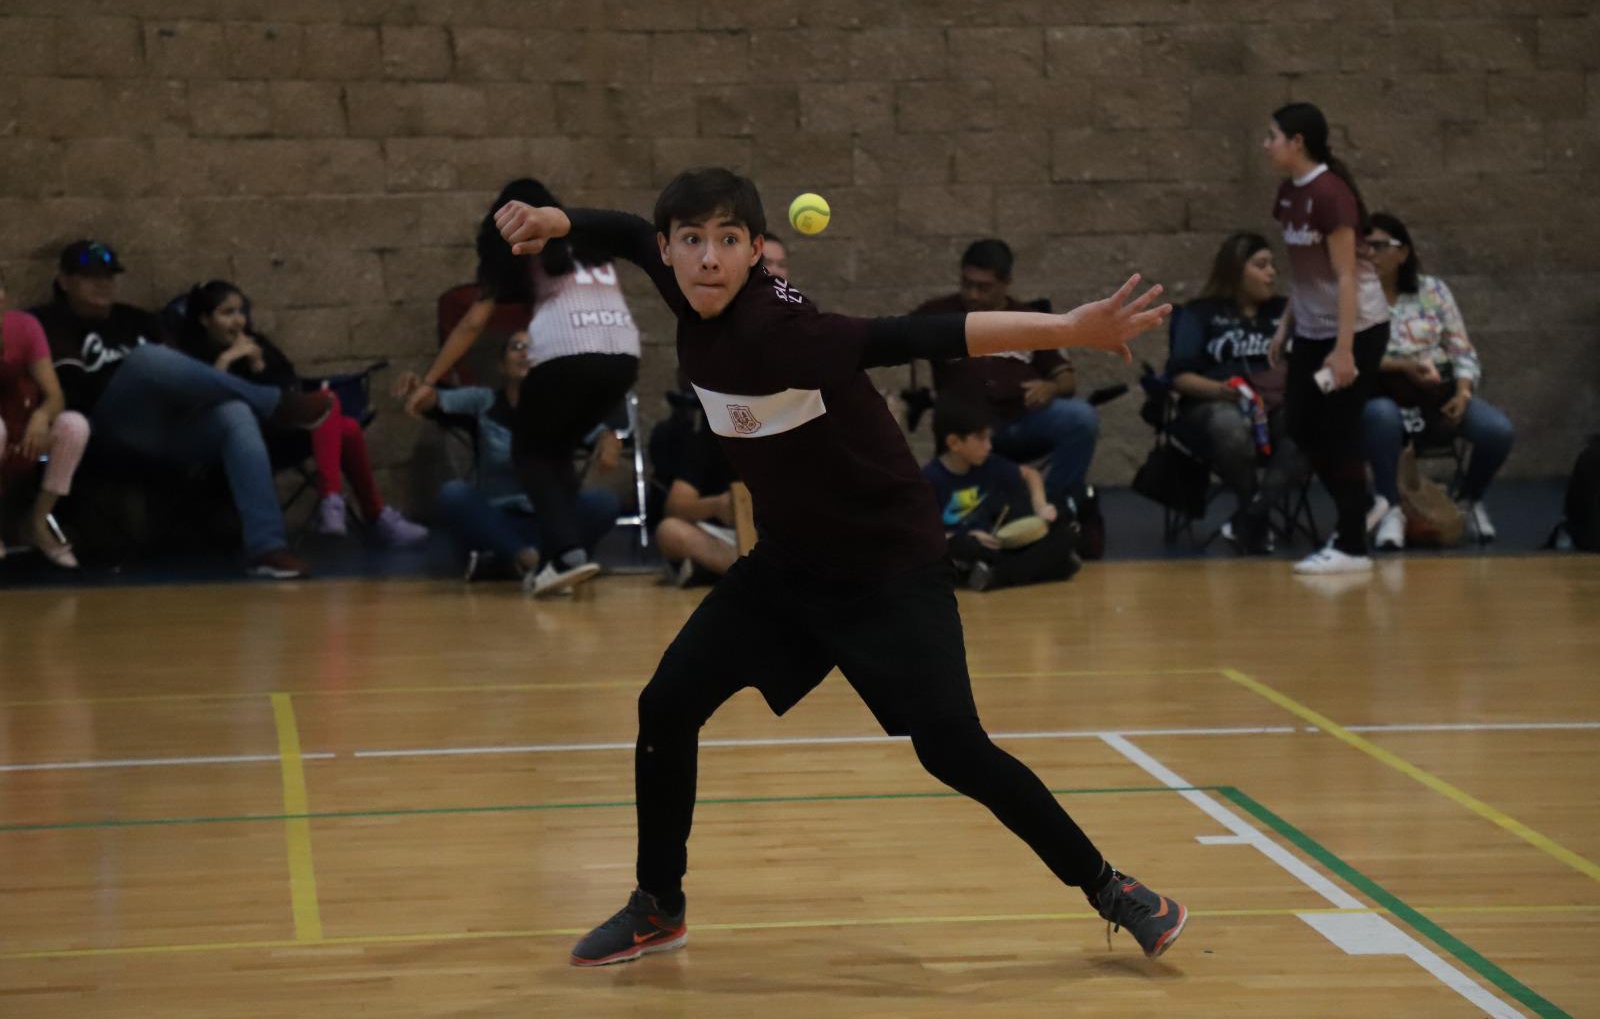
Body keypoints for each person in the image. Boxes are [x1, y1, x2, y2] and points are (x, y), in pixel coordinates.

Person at [495, 167, 1186, 968]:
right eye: (692, 241)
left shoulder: (783, 334)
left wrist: (1068, 326)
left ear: (756, 251)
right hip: (790, 567)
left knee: (953, 748)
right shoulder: (683, 287)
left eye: (728, 241)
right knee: (667, 705)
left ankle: (1112, 887)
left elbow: (919, 336)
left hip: (890, 566)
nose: (709, 258)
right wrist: (558, 219)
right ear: (670, 251)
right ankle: (658, 906)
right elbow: (618, 227)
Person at [395, 178, 639, 597]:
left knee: (531, 451)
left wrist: (431, 379)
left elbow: (473, 322)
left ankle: (562, 555)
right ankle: (561, 556)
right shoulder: (585, 237)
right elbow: (602, 360)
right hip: (624, 351)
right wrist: (614, 427)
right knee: (556, 448)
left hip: (565, 350)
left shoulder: (525, 242)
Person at [29, 240, 330, 579]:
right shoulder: (48, 323)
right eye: (89, 276)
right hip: (106, 428)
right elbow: (68, 390)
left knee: (234, 414)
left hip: (170, 427)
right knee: (146, 359)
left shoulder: (139, 319)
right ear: (65, 281)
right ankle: (275, 404)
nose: (104, 284)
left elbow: (188, 373)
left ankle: (267, 548)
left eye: (110, 276)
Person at [176, 280, 428, 547]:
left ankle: (348, 507)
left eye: (241, 311)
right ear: (205, 319)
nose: (238, 321)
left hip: (281, 431)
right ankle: (360, 512)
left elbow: (290, 389)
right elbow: (203, 398)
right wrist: (225, 361)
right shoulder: (193, 353)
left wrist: (259, 364)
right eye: (227, 313)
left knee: (346, 426)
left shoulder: (257, 344)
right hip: (242, 444)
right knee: (330, 406)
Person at [1263, 104, 1390, 576]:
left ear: (1297, 142)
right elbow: (1303, 271)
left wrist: (1344, 350)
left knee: (1338, 429)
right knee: (1299, 422)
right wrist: (1285, 325)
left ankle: (1353, 545)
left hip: (1357, 327)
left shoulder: (1331, 194)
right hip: (1314, 329)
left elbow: (1345, 276)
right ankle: (1363, 506)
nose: (1266, 144)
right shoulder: (1287, 194)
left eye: (1272, 136)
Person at [408, 332, 620, 582]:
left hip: (552, 519)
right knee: (453, 494)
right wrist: (419, 389)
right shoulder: (483, 401)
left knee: (603, 502)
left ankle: (516, 562)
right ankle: (531, 558)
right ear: (501, 364)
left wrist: (608, 441)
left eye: (533, 349)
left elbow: (603, 434)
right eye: (516, 347)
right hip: (497, 521)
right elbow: (436, 401)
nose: (524, 353)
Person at [1361, 213, 1514, 549]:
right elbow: (1349, 357)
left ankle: (1466, 500)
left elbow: (1461, 350)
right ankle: (1391, 507)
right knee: (1381, 416)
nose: (1369, 253)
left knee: (1497, 431)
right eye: (1364, 246)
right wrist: (1402, 366)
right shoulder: (1352, 296)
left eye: (1379, 246)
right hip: (1382, 393)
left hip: (1436, 391)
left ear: (1402, 253)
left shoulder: (1433, 291)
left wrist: (1462, 391)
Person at [914, 239, 1099, 506]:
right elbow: (896, 342)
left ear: (1006, 282)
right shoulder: (937, 314)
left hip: (1021, 419)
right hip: (968, 427)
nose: (973, 295)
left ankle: (1052, 504)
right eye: (967, 284)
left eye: (984, 287)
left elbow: (1066, 379)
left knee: (1082, 418)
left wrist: (1051, 388)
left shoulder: (1029, 319)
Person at [1166, 233, 1308, 554]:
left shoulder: (1283, 311)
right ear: (1235, 270)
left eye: (1273, 265)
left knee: (1310, 422)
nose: (1272, 273)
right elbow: (1179, 377)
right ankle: (1253, 510)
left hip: (1275, 406)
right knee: (1229, 425)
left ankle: (1252, 515)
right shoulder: (1200, 313)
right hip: (1214, 405)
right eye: (1261, 265)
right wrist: (1224, 391)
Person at [923, 395, 1080, 591]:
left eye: (989, 437)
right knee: (963, 547)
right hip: (964, 549)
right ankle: (1041, 568)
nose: (988, 446)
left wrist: (1041, 505)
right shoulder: (929, 479)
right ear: (954, 442)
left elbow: (1031, 475)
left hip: (995, 546)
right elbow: (924, 536)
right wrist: (969, 535)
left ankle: (993, 574)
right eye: (981, 438)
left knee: (1065, 530)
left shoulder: (989, 464)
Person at [0, 265, 88, 567]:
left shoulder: (24, 327)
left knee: (74, 425)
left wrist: (40, 417)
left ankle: (38, 523)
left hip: (25, 436)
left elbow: (55, 396)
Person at [652, 397, 740, 586]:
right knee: (669, 531)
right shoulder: (711, 435)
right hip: (728, 538)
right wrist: (717, 506)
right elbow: (675, 506)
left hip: (781, 539)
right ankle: (745, 568)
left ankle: (721, 570)